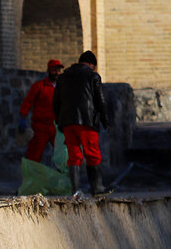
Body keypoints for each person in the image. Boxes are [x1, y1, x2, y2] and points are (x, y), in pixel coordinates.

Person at [52, 51, 110, 197]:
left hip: (68, 123)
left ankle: (75, 190)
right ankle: (97, 189)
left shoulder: (63, 77)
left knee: (74, 155)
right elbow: (100, 99)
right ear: (91, 64)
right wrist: (104, 118)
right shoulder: (92, 76)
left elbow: (55, 102)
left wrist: (59, 121)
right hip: (87, 121)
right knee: (92, 154)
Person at [18, 59, 63, 163]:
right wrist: (23, 118)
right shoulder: (39, 86)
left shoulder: (63, 88)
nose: (57, 73)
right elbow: (28, 102)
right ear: (49, 71)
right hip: (40, 127)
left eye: (58, 70)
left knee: (63, 153)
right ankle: (32, 177)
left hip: (57, 127)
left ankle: (64, 177)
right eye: (54, 70)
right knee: (34, 154)